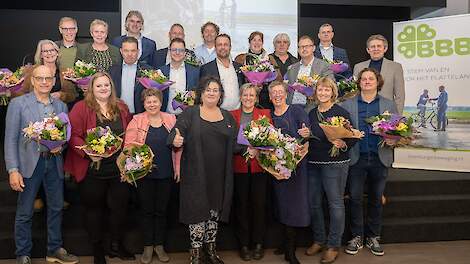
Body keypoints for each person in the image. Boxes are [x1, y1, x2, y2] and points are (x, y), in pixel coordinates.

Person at [5, 65, 79, 264]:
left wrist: (60, 147)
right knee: (25, 211)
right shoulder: (18, 104)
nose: (45, 82)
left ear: (54, 81)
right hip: (29, 165)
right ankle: (23, 253)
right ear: (33, 80)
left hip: (54, 163)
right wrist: (13, 170)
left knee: (55, 208)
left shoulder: (61, 106)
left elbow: (65, 137)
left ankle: (54, 249)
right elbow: (10, 140)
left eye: (48, 78)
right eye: (40, 78)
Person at [64, 72, 134, 264]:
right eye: (99, 86)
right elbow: (73, 135)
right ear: (91, 88)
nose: (103, 88)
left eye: (106, 85)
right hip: (93, 169)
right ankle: (98, 251)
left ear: (111, 87)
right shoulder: (81, 108)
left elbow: (129, 132)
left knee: (119, 208)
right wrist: (87, 152)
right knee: (94, 210)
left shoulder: (121, 107)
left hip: (118, 169)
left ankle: (115, 245)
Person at [168, 76, 238, 264]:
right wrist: (175, 140)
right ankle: (196, 253)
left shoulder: (228, 116)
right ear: (201, 92)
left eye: (215, 90)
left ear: (221, 94)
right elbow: (174, 134)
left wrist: (254, 148)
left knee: (214, 212)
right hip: (196, 174)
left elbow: (236, 144)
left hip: (220, 175)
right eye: (208, 89)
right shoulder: (190, 113)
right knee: (197, 211)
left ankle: (211, 250)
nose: (212, 93)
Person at [341, 68, 397, 257]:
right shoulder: (348, 104)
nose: (366, 81)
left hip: (380, 158)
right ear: (359, 82)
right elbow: (343, 132)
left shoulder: (389, 104)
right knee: (355, 199)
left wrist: (393, 140)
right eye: (363, 79)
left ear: (377, 81)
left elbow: (396, 132)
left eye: (370, 78)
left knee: (375, 199)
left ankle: (373, 237)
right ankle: (356, 236)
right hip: (356, 159)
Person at [124, 88, 182, 264]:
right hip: (144, 174)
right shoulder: (137, 120)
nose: (152, 104)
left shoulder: (171, 119)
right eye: (148, 101)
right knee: (147, 211)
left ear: (161, 102)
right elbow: (128, 146)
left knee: (162, 211)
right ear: (143, 104)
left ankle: (160, 245)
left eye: (155, 100)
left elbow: (179, 146)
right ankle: (148, 246)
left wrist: (178, 169)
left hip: (166, 171)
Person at [305, 77, 358, 263]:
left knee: (335, 204)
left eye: (327, 90)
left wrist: (343, 142)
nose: (323, 93)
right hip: (313, 163)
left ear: (333, 92)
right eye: (320, 89)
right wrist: (305, 135)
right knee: (314, 203)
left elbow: (353, 136)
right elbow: (311, 137)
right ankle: (319, 240)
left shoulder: (341, 112)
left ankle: (333, 245)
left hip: (335, 164)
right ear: (315, 92)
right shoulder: (311, 113)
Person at [268, 80, 311, 264]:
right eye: (274, 93)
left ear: (286, 94)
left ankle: (290, 250)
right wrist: (273, 167)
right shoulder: (268, 115)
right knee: (279, 206)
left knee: (294, 208)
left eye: (280, 92)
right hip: (275, 170)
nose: (277, 95)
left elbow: (306, 140)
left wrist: (292, 163)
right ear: (269, 97)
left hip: (296, 168)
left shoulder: (297, 110)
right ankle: (284, 244)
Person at [230, 83, 272, 261]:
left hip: (259, 168)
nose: (248, 98)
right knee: (242, 207)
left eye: (251, 95)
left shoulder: (265, 115)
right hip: (239, 167)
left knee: (259, 207)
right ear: (240, 97)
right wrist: (244, 150)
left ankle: (258, 243)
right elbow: (229, 141)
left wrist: (258, 150)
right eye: (245, 95)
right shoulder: (232, 116)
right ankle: (244, 245)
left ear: (256, 98)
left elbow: (271, 139)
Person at [353, 34, 405, 114]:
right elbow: (354, 92)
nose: (376, 49)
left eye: (379, 46)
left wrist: (396, 118)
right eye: (373, 46)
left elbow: (400, 96)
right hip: (362, 112)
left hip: (386, 113)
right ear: (368, 50)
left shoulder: (396, 67)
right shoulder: (358, 67)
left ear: (385, 48)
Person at [234, 31, 281, 110]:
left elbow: (278, 78)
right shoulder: (241, 58)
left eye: (259, 40)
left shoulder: (270, 58)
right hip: (247, 97)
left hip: (266, 97)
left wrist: (264, 83)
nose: (257, 43)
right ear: (249, 42)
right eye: (254, 40)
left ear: (262, 43)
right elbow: (237, 79)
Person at [286, 35, 334, 112]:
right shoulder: (292, 68)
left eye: (307, 46)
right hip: (292, 109)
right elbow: (288, 89)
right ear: (298, 50)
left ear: (313, 48)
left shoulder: (324, 66)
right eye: (301, 47)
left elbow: (331, 86)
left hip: (313, 108)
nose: (304, 49)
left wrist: (313, 89)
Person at [200, 33, 245, 111]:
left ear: (230, 47)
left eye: (226, 44)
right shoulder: (206, 68)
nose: (223, 47)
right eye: (219, 45)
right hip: (215, 113)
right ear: (215, 47)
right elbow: (202, 94)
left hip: (237, 113)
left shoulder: (240, 67)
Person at [109, 36, 150, 114]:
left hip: (140, 115)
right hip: (118, 115)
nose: (129, 54)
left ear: (138, 51)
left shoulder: (147, 71)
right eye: (126, 51)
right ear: (121, 51)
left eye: (133, 51)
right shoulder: (112, 70)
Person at [159, 38, 200, 114]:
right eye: (174, 50)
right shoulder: (161, 72)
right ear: (170, 51)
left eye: (181, 50)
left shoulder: (194, 72)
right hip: (165, 116)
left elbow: (199, 93)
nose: (177, 53)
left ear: (185, 52)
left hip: (188, 116)